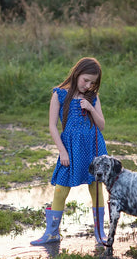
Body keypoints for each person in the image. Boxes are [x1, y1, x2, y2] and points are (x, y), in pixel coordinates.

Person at [31, 57, 108, 246]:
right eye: (86, 80)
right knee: (60, 189)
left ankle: (100, 233)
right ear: (76, 74)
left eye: (93, 83)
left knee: (96, 188)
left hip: (92, 147)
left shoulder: (92, 97)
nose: (88, 85)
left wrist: (90, 108)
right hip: (70, 149)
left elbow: (102, 125)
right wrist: (62, 152)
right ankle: (52, 233)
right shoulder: (59, 95)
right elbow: (52, 126)